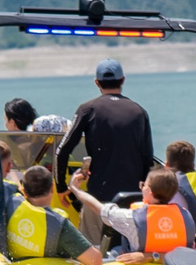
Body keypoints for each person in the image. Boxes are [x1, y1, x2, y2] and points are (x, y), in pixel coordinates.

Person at [58, 59, 154, 202]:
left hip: (99, 198)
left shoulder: (87, 110)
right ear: (122, 80)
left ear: (97, 82)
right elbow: (148, 159)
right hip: (133, 198)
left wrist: (61, 188)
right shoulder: (139, 112)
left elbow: (62, 150)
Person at [72, 166, 195, 264]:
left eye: (144, 185)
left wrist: (76, 189)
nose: (142, 189)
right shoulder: (186, 217)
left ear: (150, 192)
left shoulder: (132, 219)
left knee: (115, 251)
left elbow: (99, 208)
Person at [0, 166, 102, 265]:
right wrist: (74, 188)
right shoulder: (59, 224)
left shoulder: (9, 204)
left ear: (24, 191)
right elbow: (95, 261)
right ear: (52, 188)